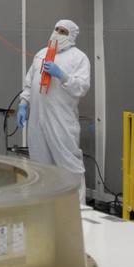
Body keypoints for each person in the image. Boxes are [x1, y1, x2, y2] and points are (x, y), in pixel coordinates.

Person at [17, 18, 90, 203]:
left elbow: (82, 87)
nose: (57, 33)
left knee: (68, 165)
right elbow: (29, 81)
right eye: (56, 29)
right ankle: (45, 211)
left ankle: (78, 211)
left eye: (63, 31)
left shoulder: (79, 58)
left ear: (72, 36)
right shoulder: (42, 54)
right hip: (37, 120)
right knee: (40, 167)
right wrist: (23, 104)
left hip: (61, 120)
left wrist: (62, 75)